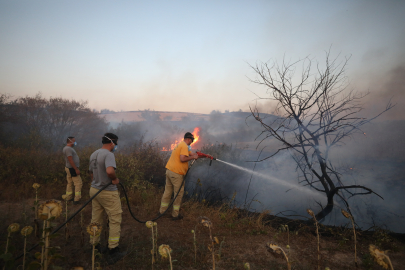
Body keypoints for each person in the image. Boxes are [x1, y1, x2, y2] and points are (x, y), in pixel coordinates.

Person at [88, 133, 125, 265]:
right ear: (112, 143)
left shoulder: (93, 154)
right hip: (107, 191)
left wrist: (97, 182)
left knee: (96, 218)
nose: (115, 147)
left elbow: (91, 174)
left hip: (94, 190)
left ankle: (94, 245)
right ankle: (113, 249)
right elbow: (110, 171)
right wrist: (114, 179)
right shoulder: (109, 154)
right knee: (115, 219)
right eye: (116, 144)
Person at [159, 132, 198, 220]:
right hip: (176, 174)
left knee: (167, 192)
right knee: (178, 194)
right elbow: (183, 158)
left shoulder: (181, 145)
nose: (191, 143)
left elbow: (192, 154)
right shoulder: (184, 146)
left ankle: (162, 211)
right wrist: (193, 158)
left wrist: (203, 156)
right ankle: (175, 215)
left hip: (169, 171)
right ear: (188, 139)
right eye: (191, 141)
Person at [63, 136, 82, 205]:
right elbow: (70, 159)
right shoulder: (68, 149)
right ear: (70, 141)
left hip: (69, 168)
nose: (75, 142)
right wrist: (76, 169)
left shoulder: (68, 148)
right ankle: (77, 199)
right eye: (74, 141)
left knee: (70, 183)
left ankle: (69, 197)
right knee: (78, 183)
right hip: (72, 169)